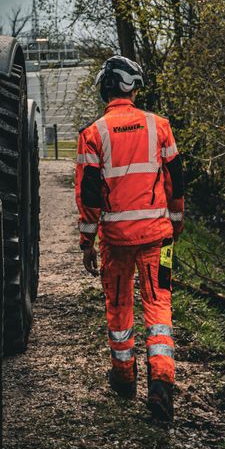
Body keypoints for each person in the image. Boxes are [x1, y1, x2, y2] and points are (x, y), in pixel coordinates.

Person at [75, 55, 185, 423]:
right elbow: (176, 181)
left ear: (106, 89)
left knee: (119, 306)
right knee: (159, 308)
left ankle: (124, 379)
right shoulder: (161, 127)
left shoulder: (93, 133)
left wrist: (86, 241)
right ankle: (162, 385)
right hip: (160, 240)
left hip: (115, 240)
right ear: (132, 88)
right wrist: (177, 221)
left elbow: (89, 196)